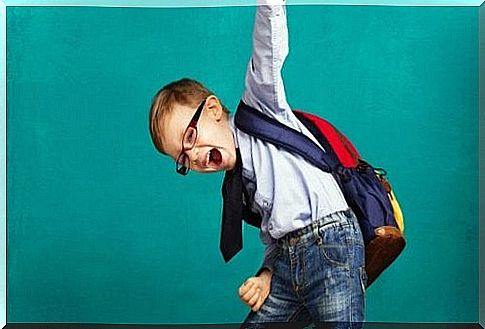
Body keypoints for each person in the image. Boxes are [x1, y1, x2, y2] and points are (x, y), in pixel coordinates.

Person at [148, 0, 367, 327]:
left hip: (330, 246)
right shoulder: (238, 188)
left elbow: (267, 54)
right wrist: (266, 275)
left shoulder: (261, 111)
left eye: (190, 137)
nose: (192, 156)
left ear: (212, 110)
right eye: (182, 158)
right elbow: (275, 234)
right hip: (287, 263)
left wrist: (270, 4)